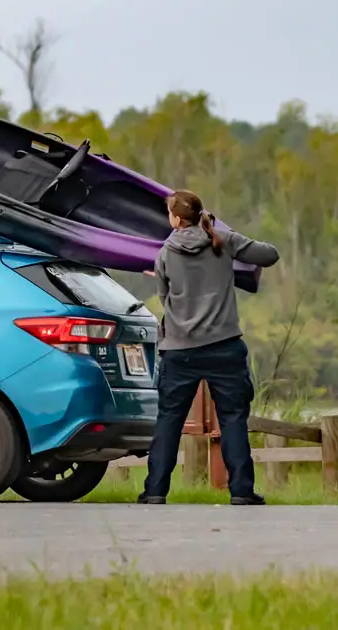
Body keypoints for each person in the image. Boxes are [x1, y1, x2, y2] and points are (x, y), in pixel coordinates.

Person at [139, 190, 279, 506]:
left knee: (169, 420)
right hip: (224, 347)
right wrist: (231, 237)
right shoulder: (223, 241)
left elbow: (164, 298)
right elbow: (269, 255)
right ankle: (241, 491)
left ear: (175, 219)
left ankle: (155, 491)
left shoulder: (164, 254)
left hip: (179, 350)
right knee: (232, 418)